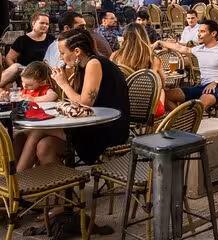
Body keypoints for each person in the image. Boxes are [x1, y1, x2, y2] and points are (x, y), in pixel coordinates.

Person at [15, 28, 130, 170]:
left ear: (77, 51)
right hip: (88, 124)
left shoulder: (95, 63)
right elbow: (76, 102)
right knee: (43, 146)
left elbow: (85, 103)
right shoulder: (81, 67)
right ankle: (60, 188)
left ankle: (16, 184)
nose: (60, 58)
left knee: (37, 130)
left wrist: (63, 84)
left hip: (106, 129)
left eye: (62, 53)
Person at [157, 20, 218, 110]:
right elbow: (180, 48)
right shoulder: (199, 49)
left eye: (202, 31)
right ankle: (181, 120)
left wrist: (216, 82)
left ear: (213, 33)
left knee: (200, 103)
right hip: (202, 87)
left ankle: (189, 120)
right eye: (198, 31)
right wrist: (159, 42)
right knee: (165, 95)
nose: (198, 34)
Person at [111, 23, 166, 117]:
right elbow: (163, 83)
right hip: (147, 109)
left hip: (121, 106)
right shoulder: (152, 59)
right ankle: (163, 124)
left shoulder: (115, 57)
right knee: (161, 91)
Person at [0, 12, 55, 89]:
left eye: (47, 24)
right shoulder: (22, 40)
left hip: (44, 72)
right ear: (33, 23)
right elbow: (9, 58)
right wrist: (23, 72)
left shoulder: (51, 39)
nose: (45, 26)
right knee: (16, 67)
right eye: (42, 23)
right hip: (25, 70)